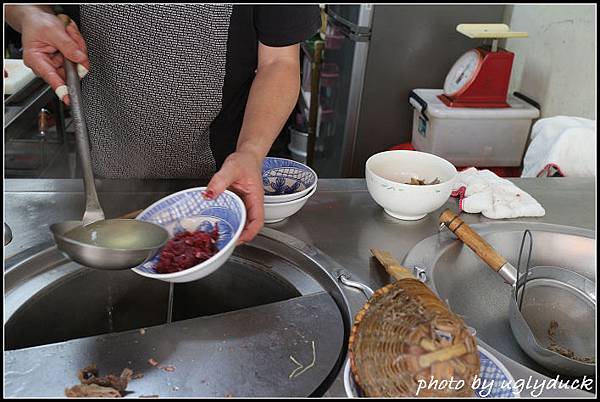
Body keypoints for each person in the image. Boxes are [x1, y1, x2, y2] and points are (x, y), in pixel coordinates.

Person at [5, 4, 321, 243]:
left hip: (230, 183)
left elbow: (279, 62)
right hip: (105, 184)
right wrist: (30, 15)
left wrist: (250, 152)